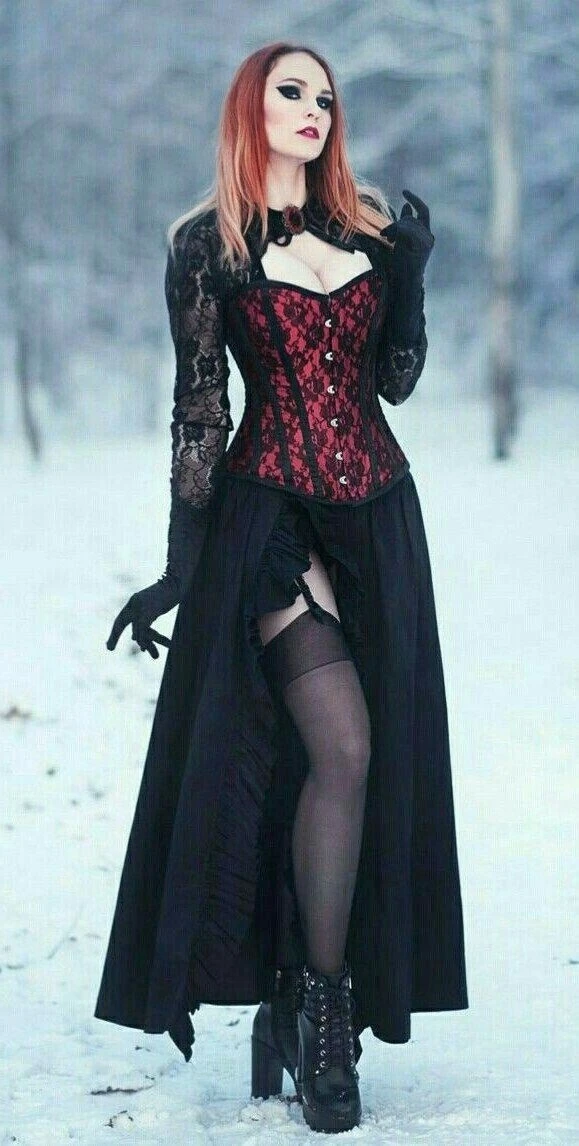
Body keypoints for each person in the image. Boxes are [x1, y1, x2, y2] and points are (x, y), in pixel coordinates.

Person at [94, 42, 468, 1134]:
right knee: (339, 745)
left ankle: (297, 993)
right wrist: (182, 562)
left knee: (358, 765)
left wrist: (411, 279)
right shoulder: (207, 245)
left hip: (379, 522)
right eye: (289, 92)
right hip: (270, 529)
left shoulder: (369, 234)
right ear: (248, 110)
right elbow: (200, 408)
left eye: (324, 96)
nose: (312, 108)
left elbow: (393, 380)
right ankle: (323, 1014)